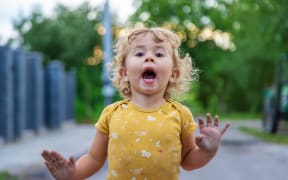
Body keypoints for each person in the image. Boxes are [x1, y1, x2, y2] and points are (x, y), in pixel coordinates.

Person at [41, 26, 230, 180]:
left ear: (174, 73)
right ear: (124, 73)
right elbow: (94, 158)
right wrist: (71, 174)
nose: (149, 57)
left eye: (159, 54)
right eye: (139, 54)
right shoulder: (112, 113)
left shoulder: (180, 114)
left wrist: (207, 151)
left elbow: (188, 160)